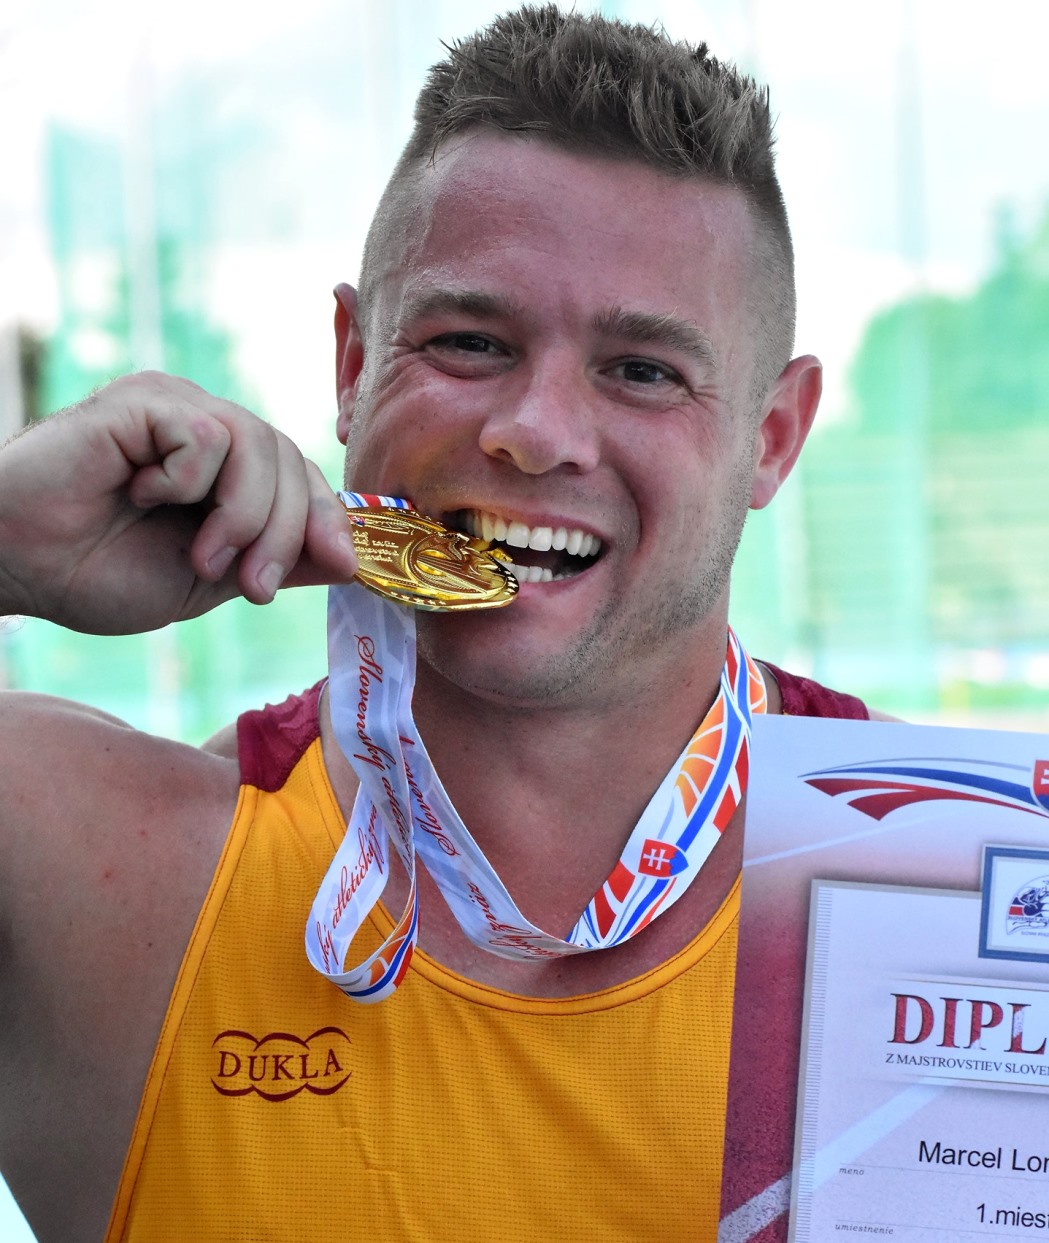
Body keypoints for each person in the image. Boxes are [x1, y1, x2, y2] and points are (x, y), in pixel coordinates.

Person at [0, 6, 877, 1241]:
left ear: (771, 436)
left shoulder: (957, 882)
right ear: (351, 364)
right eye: (468, 342)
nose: (535, 431)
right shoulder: (103, 876)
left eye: (641, 370)